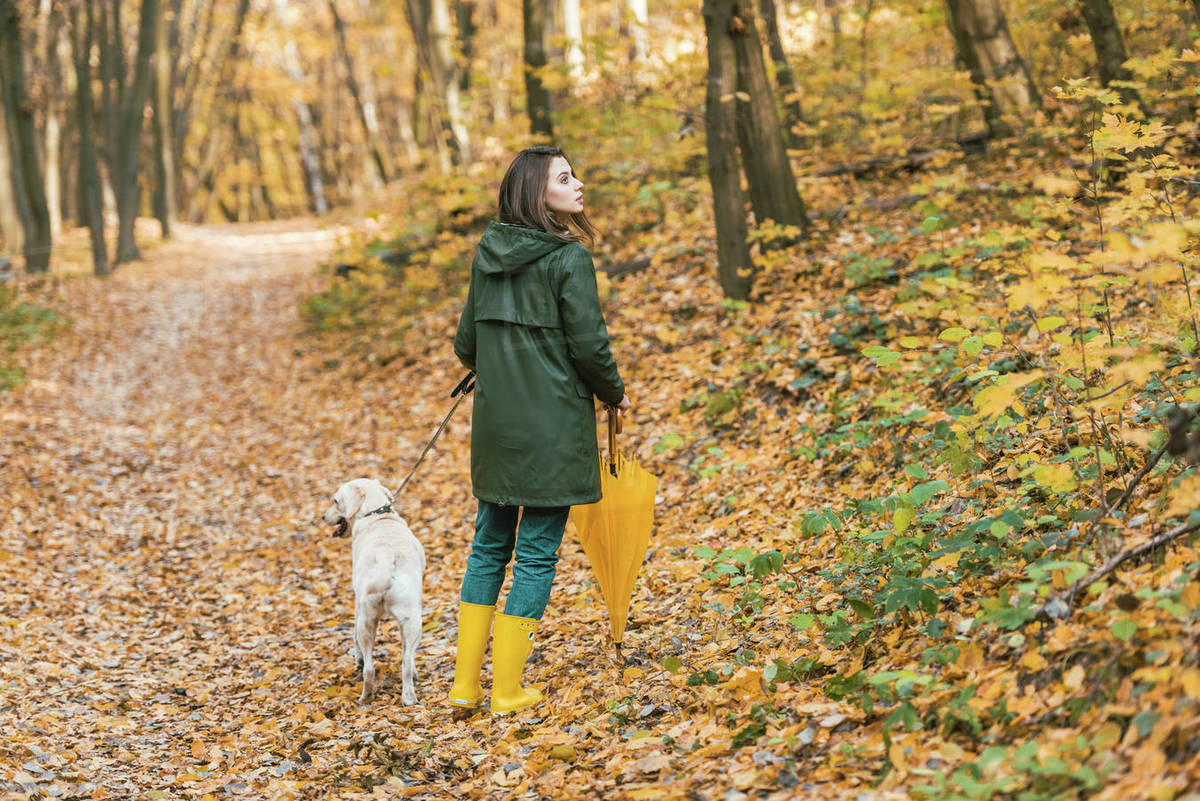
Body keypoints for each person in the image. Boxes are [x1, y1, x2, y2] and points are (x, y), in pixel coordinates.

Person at [448, 146, 630, 714]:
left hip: (497, 427)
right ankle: (506, 690)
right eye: (564, 177)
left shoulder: (487, 251)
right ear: (536, 192)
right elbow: (590, 345)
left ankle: (463, 687)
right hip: (553, 428)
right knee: (534, 556)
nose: (579, 184)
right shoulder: (567, 258)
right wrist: (614, 392)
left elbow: (465, 347)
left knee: (486, 549)